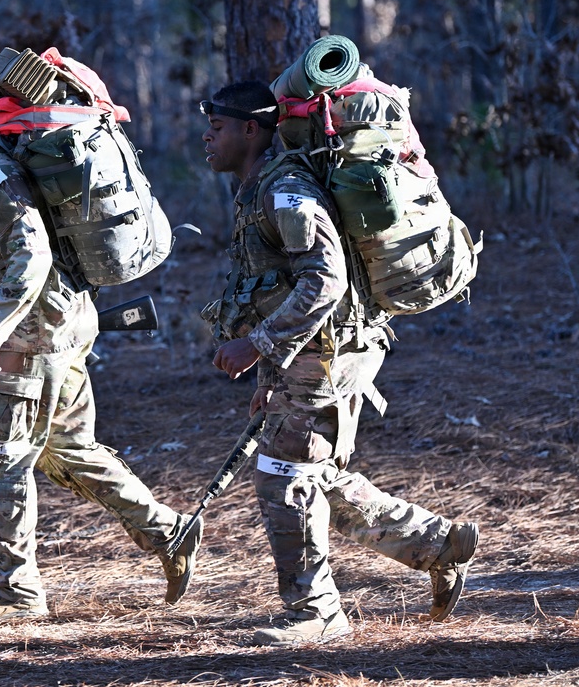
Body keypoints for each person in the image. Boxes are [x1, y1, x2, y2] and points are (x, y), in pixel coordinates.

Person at [0, 75, 202, 620]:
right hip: (57, 327)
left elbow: (31, 250)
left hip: (30, 338)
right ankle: (168, 532)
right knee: (68, 452)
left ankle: (16, 593)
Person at [200, 80, 479, 646]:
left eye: (219, 128)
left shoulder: (285, 190)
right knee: (315, 477)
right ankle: (437, 545)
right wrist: (270, 376)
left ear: (251, 130)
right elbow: (275, 287)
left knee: (284, 477)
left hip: (330, 353)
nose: (208, 138)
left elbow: (325, 279)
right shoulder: (261, 188)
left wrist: (258, 345)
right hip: (315, 355)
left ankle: (316, 612)